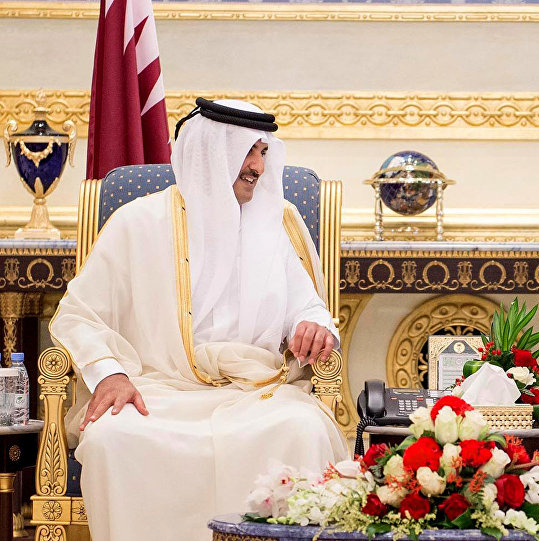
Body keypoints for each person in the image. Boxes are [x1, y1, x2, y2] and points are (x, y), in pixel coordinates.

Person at [50, 98, 351, 541]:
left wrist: (312, 325)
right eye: (247, 152)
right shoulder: (138, 222)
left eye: (263, 152)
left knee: (301, 429)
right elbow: (79, 313)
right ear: (212, 153)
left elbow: (306, 306)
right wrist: (110, 374)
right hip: (159, 390)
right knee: (112, 438)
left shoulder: (276, 221)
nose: (258, 167)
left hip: (257, 394)